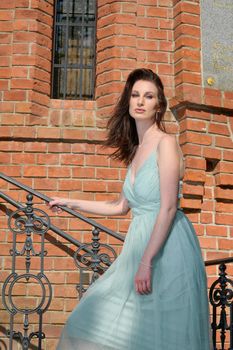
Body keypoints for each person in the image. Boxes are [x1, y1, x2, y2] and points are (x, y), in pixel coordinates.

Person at [49, 68, 211, 350]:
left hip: (166, 248)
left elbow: (169, 206)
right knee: (85, 323)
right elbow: (121, 206)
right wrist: (71, 202)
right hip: (138, 246)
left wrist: (146, 261)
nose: (140, 101)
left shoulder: (166, 144)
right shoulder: (136, 151)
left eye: (148, 96)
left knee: (161, 334)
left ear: (158, 105)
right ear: (128, 101)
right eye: (135, 95)